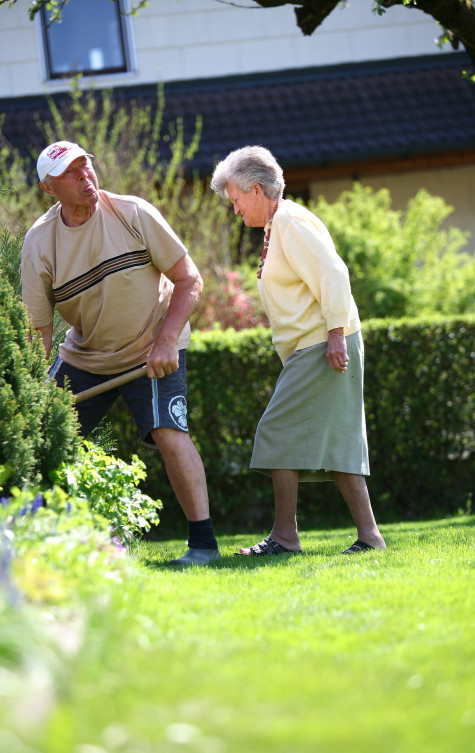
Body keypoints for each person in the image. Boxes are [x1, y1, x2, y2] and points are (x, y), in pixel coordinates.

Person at [21, 140, 220, 566]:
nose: (84, 176)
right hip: (85, 357)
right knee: (41, 438)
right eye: (71, 172)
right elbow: (38, 328)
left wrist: (167, 341)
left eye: (85, 166)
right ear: (48, 187)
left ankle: (203, 546)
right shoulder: (39, 242)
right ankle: (32, 545)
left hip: (154, 347)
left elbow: (189, 280)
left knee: (170, 432)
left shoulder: (132, 212)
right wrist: (34, 392)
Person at [211, 145, 386, 556]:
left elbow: (333, 273)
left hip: (321, 344)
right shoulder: (278, 227)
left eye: (235, 201)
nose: (235, 211)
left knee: (276, 431)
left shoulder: (289, 220)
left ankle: (285, 538)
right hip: (315, 344)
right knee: (338, 444)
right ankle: (370, 537)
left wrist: (337, 335)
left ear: (256, 190)